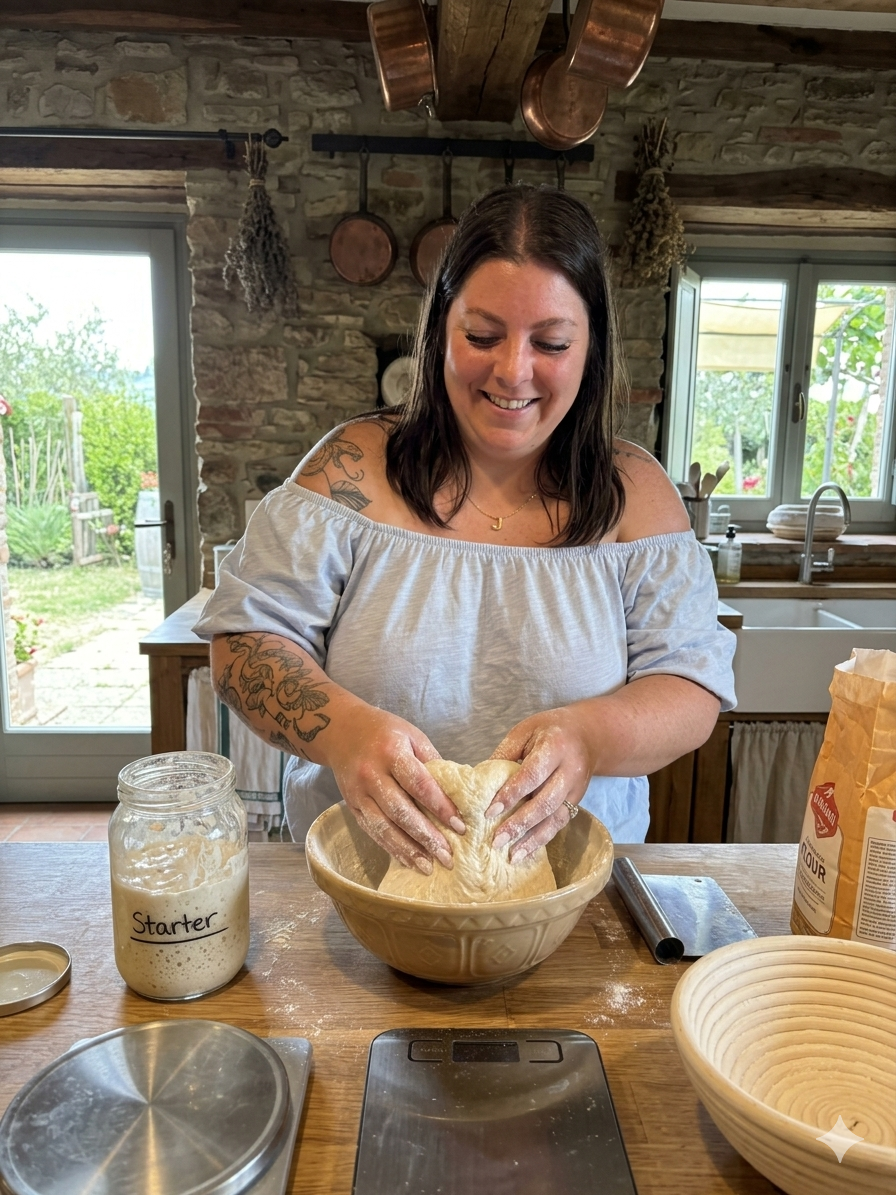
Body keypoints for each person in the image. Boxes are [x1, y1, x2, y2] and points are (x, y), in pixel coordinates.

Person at [194, 183, 736, 876]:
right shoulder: (350, 472)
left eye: (552, 342)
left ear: (591, 348)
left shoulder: (639, 496)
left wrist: (590, 738)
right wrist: (345, 733)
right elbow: (243, 646)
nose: (513, 371)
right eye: (481, 335)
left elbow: (690, 684)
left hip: (573, 897)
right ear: (438, 331)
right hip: (359, 887)